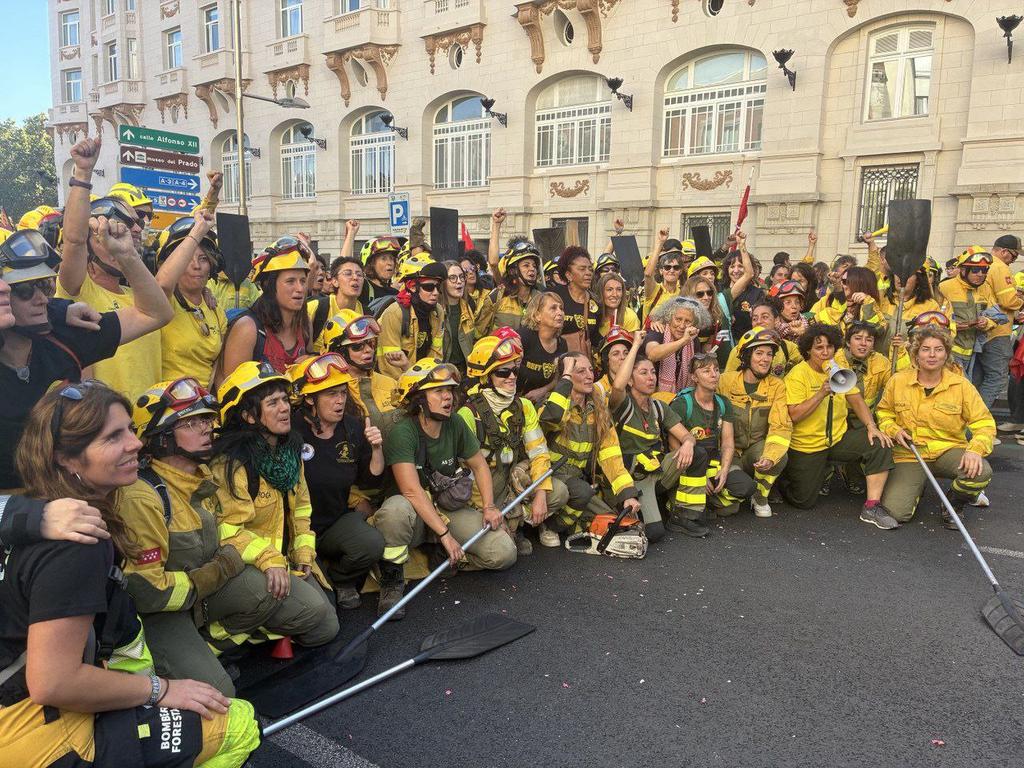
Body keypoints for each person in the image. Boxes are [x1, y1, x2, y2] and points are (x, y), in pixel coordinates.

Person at [1, 381, 259, 767]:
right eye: (112, 437)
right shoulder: (77, 544)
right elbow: (52, 682)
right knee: (238, 724)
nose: (135, 444)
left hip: (21, 700)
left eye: (129, 431)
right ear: (66, 459)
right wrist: (160, 689)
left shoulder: (39, 512)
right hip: (28, 726)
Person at [124, 378, 281, 697]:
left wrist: (267, 557)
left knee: (266, 590)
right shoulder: (143, 498)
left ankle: (207, 650)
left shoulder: (201, 478)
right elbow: (146, 594)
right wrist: (218, 572)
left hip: (191, 600)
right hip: (155, 616)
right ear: (162, 437)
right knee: (222, 694)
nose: (207, 427)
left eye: (207, 418)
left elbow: (224, 531)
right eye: (191, 422)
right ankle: (160, 672)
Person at [0, 222, 172, 491]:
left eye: (45, 286)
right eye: (24, 291)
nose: (41, 299)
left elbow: (155, 313)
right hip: (10, 504)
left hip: (71, 486)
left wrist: (127, 256)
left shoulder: (64, 334)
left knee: (142, 498)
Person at [210, 361, 341, 651]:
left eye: (284, 399)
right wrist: (269, 560)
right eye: (272, 403)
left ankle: (268, 626)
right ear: (247, 415)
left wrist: (303, 553)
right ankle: (222, 637)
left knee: (327, 627)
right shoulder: (232, 464)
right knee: (315, 613)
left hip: (285, 563)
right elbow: (228, 531)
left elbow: (303, 510)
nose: (284, 408)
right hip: (248, 568)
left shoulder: (289, 452)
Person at [376, 359, 516, 619]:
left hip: (447, 509)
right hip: (416, 515)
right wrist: (445, 534)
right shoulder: (403, 432)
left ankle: (445, 556)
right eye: (438, 391)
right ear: (419, 399)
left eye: (450, 390)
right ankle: (392, 580)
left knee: (504, 553)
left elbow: (480, 466)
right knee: (395, 511)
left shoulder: (455, 424)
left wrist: (489, 506)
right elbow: (411, 491)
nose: (448, 397)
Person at [56, 139, 173, 400]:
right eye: (106, 235)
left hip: (149, 424)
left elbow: (161, 312)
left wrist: (127, 253)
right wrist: (83, 174)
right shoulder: (77, 291)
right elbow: (74, 240)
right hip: (106, 425)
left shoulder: (139, 297)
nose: (117, 242)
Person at [289, 353, 385, 610]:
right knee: (324, 608)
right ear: (309, 398)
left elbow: (368, 478)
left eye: (343, 393)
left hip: (334, 524)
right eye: (331, 394)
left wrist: (376, 449)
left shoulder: (352, 428)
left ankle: (341, 579)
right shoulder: (290, 431)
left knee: (371, 543)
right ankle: (323, 581)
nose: (340, 400)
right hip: (296, 531)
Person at [459, 331, 569, 553]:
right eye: (503, 372)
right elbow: (465, 477)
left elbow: (539, 454)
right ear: (485, 377)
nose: (512, 377)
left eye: (515, 370)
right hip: (478, 494)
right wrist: (488, 508)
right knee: (503, 554)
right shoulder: (467, 414)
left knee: (558, 492)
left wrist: (539, 495)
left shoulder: (524, 407)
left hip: (510, 482)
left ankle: (515, 525)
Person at [779, 323, 897, 527]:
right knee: (803, 501)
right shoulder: (798, 374)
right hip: (808, 445)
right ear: (808, 350)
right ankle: (785, 477)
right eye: (819, 348)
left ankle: (872, 506)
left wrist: (871, 426)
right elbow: (795, 415)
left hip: (837, 438)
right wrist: (821, 393)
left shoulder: (839, 371)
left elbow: (857, 400)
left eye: (830, 347)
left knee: (879, 444)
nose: (825, 352)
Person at [877, 326, 994, 527]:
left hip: (948, 450)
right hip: (910, 454)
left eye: (938, 349)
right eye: (925, 349)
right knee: (897, 513)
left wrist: (975, 450)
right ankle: (916, 485)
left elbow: (983, 423)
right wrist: (894, 430)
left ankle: (954, 502)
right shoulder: (898, 381)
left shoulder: (961, 385)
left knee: (981, 471)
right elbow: (883, 413)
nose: (932, 354)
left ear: (946, 354)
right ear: (916, 354)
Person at [538, 353, 641, 541]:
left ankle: (570, 523)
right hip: (551, 475)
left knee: (616, 523)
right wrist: (565, 377)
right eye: (580, 371)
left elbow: (612, 457)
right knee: (583, 493)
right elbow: (551, 417)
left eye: (591, 370)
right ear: (566, 376)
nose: (589, 375)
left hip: (578, 479)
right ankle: (549, 527)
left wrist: (627, 494)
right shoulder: (554, 403)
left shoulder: (598, 410)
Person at [608, 344, 702, 541]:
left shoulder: (659, 406)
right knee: (654, 534)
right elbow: (617, 386)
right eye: (643, 373)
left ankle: (683, 515)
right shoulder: (622, 404)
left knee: (698, 453)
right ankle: (635, 506)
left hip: (658, 471)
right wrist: (634, 345)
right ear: (631, 381)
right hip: (635, 479)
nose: (651, 377)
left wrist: (687, 444)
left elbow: (687, 436)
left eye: (653, 372)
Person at [668, 355, 755, 529]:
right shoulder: (682, 404)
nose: (714, 374)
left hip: (712, 463)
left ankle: (708, 501)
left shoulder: (723, 403)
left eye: (716, 370)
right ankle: (682, 504)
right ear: (694, 377)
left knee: (746, 487)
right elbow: (673, 447)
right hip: (689, 465)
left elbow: (728, 443)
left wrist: (723, 470)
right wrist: (699, 479)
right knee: (691, 504)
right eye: (706, 371)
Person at [717, 328, 793, 517]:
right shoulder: (724, 382)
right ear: (746, 356)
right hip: (729, 452)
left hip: (755, 451)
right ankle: (739, 490)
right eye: (759, 353)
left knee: (780, 457)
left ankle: (760, 496)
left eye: (769, 354)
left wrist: (770, 456)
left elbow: (781, 426)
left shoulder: (777, 386)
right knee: (728, 509)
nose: (765, 359)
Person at [216, 237, 311, 386]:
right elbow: (231, 390)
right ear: (268, 284)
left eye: (303, 281)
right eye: (290, 281)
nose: (300, 289)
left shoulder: (305, 324)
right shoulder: (247, 328)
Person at [153, 214, 228, 386]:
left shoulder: (216, 311)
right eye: (187, 259)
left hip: (205, 406)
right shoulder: (163, 302)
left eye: (203, 258)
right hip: (168, 406)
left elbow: (219, 370)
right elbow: (162, 284)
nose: (197, 266)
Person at [321, 310, 404, 440]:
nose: (368, 350)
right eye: (357, 346)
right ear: (339, 352)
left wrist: (406, 368)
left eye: (371, 343)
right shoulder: (330, 392)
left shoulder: (390, 383)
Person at [943, 247, 1008, 401]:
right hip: (950, 352)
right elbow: (936, 320)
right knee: (958, 393)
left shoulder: (985, 289)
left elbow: (996, 315)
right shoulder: (946, 288)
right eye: (975, 270)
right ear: (963, 270)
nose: (980, 275)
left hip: (972, 353)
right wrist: (958, 325)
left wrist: (986, 322)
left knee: (966, 393)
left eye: (984, 270)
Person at [375, 255, 448, 378]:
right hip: (397, 384)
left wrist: (431, 382)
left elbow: (435, 354)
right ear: (412, 286)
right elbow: (389, 367)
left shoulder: (438, 311)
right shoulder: (394, 313)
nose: (435, 292)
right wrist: (414, 385)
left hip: (423, 381)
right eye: (429, 287)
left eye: (438, 287)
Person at [643, 296, 708, 394]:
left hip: (680, 395)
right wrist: (683, 341)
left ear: (694, 324)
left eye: (687, 321)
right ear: (669, 318)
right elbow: (652, 354)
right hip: (652, 394)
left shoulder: (693, 340)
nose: (682, 326)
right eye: (678, 319)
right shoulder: (659, 330)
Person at [480, 234, 543, 333]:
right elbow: (479, 333)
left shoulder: (541, 298)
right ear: (513, 271)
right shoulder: (497, 296)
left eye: (534, 266)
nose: (532, 269)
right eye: (526, 265)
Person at [517, 291, 568, 404]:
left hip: (542, 402)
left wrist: (543, 391)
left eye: (561, 308)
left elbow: (558, 378)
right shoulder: (522, 338)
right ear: (537, 315)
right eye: (553, 308)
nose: (560, 313)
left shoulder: (562, 344)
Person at [724, 302, 799, 376]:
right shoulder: (740, 350)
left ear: (776, 320)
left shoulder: (787, 348)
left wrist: (802, 334)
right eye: (754, 319)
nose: (759, 322)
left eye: (765, 317)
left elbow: (808, 361)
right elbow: (728, 381)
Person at [308, 254, 365, 351]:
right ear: (334, 281)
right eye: (348, 273)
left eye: (359, 274)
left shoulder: (366, 314)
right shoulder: (316, 307)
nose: (355, 278)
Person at [551, 246, 600, 355]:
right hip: (554, 359)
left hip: (581, 363)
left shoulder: (596, 302)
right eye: (582, 269)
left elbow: (595, 338)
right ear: (568, 275)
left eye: (590, 269)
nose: (588, 273)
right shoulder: (554, 296)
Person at [441, 260, 477, 373]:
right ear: (443, 282)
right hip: (442, 372)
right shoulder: (436, 311)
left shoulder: (469, 306)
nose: (459, 282)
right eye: (452, 277)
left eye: (461, 277)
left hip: (466, 371)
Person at [643, 230, 685, 318]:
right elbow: (647, 274)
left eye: (676, 267)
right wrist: (660, 243)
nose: (672, 270)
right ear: (661, 271)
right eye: (667, 267)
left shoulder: (683, 294)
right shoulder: (654, 290)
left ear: (680, 271)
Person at [359, 234, 401, 306]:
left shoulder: (395, 293)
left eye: (391, 258)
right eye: (383, 259)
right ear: (370, 263)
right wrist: (351, 233)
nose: (390, 263)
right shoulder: (362, 287)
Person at [596, 271, 640, 337]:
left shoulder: (629, 316)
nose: (615, 294)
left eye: (619, 289)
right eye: (609, 290)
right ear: (600, 292)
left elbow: (632, 346)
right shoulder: (592, 315)